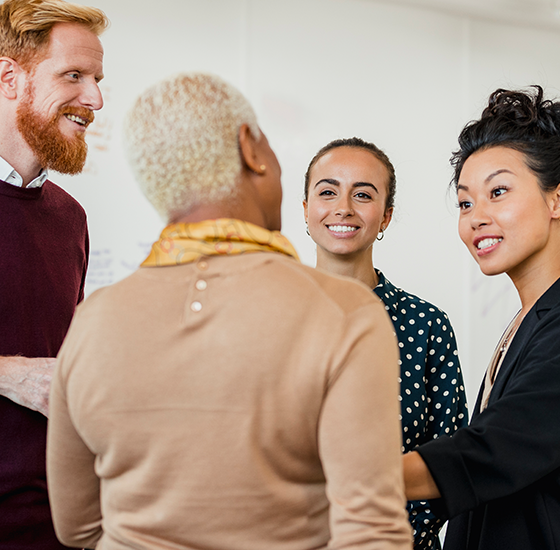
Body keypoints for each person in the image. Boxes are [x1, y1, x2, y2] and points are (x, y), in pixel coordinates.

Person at [45, 73, 412, 550]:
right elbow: (373, 534)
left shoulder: (93, 322)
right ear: (250, 148)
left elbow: (77, 528)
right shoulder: (345, 313)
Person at [402, 86, 560, 550]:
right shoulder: (537, 316)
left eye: (499, 192)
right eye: (466, 202)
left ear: (558, 200)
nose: (476, 218)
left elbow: (491, 452)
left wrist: (339, 476)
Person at [303, 138, 469, 549]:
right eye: (327, 192)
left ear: (386, 217)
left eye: (362, 194)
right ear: (305, 209)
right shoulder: (267, 315)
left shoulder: (426, 325)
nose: (343, 207)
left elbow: (452, 461)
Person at [0, 0, 107, 547]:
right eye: (74, 75)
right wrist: (9, 373)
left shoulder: (70, 219)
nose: (95, 99)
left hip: (56, 527)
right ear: (10, 77)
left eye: (97, 79)